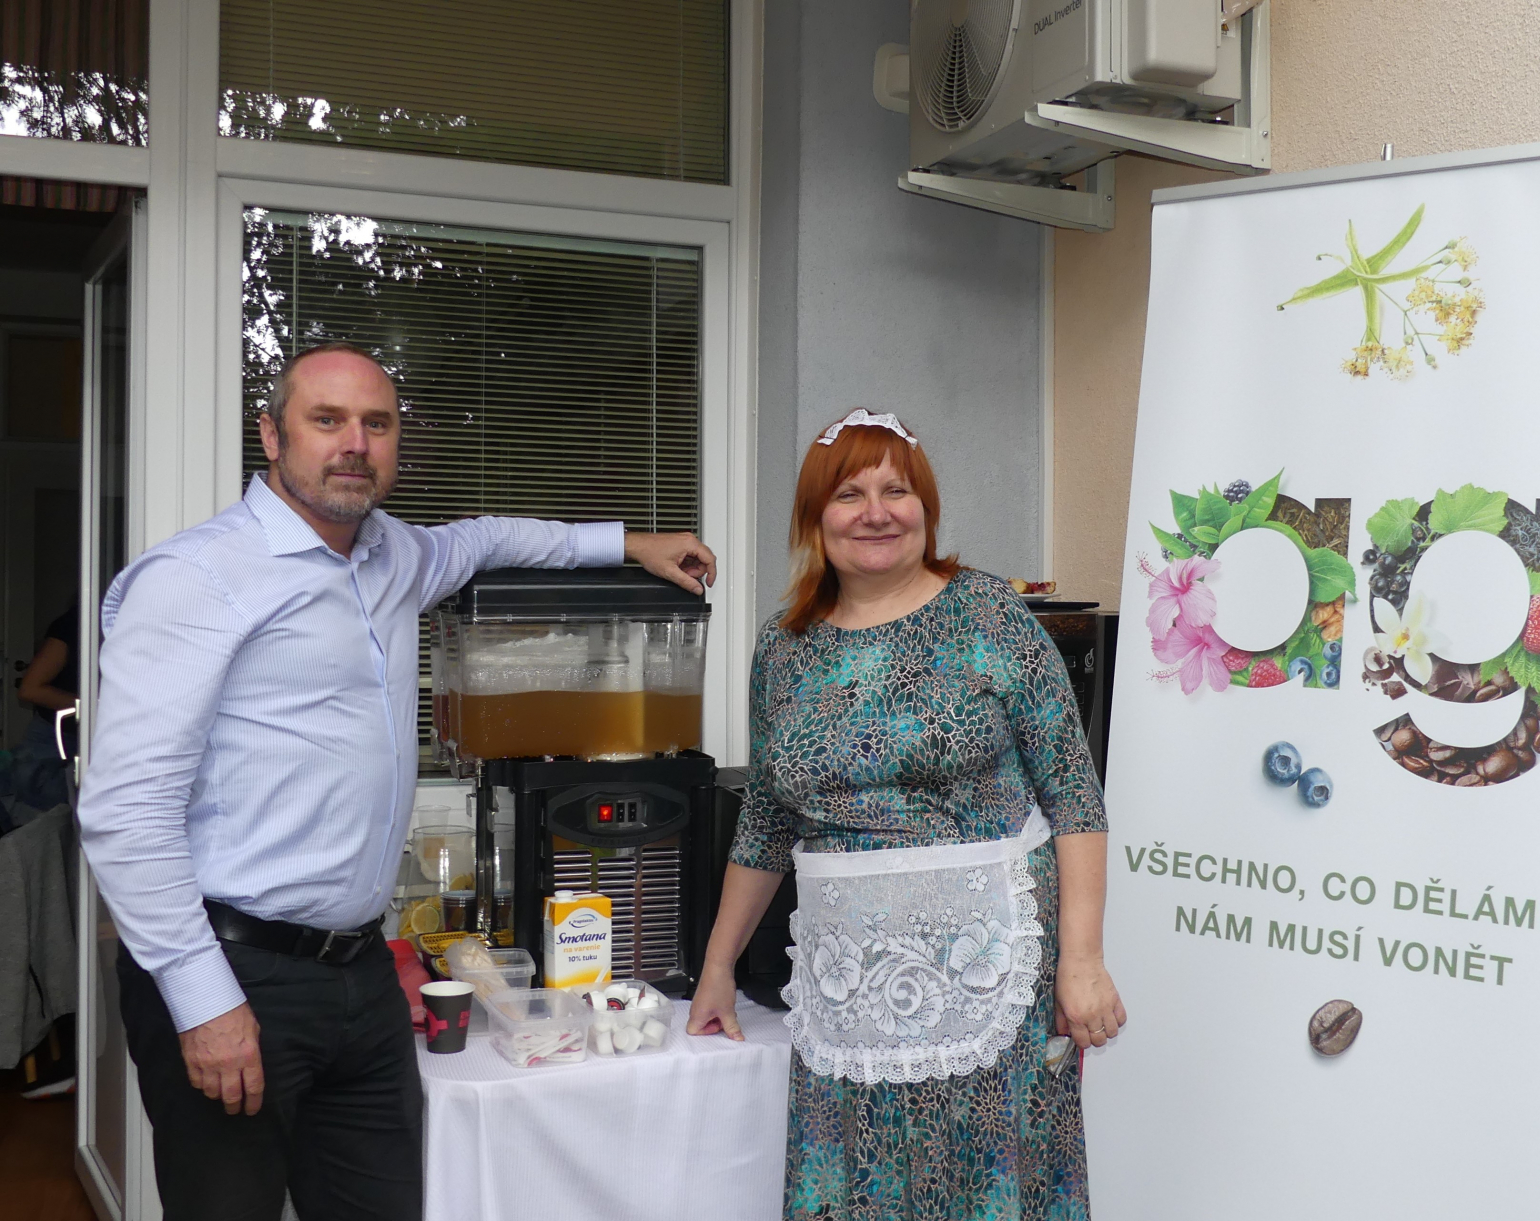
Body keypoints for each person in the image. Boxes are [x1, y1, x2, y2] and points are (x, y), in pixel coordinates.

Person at [78, 341, 716, 1220]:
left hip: (361, 978)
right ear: (272, 434)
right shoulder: (197, 577)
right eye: (327, 419)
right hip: (231, 968)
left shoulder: (394, 557)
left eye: (376, 424)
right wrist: (203, 1001)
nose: (355, 443)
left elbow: (490, 537)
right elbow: (125, 811)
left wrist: (632, 543)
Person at [688, 408, 1122, 1218]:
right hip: (848, 986)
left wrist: (1084, 959)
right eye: (849, 494)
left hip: (991, 973)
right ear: (815, 517)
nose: (876, 512)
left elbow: (1073, 791)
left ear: (926, 506)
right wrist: (718, 965)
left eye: (897, 490)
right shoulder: (783, 648)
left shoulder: (990, 616)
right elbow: (768, 823)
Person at [12, 605, 76, 812]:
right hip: (55, 739)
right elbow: (30, 690)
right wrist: (101, 707)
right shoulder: (76, 622)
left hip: (99, 738)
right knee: (42, 817)